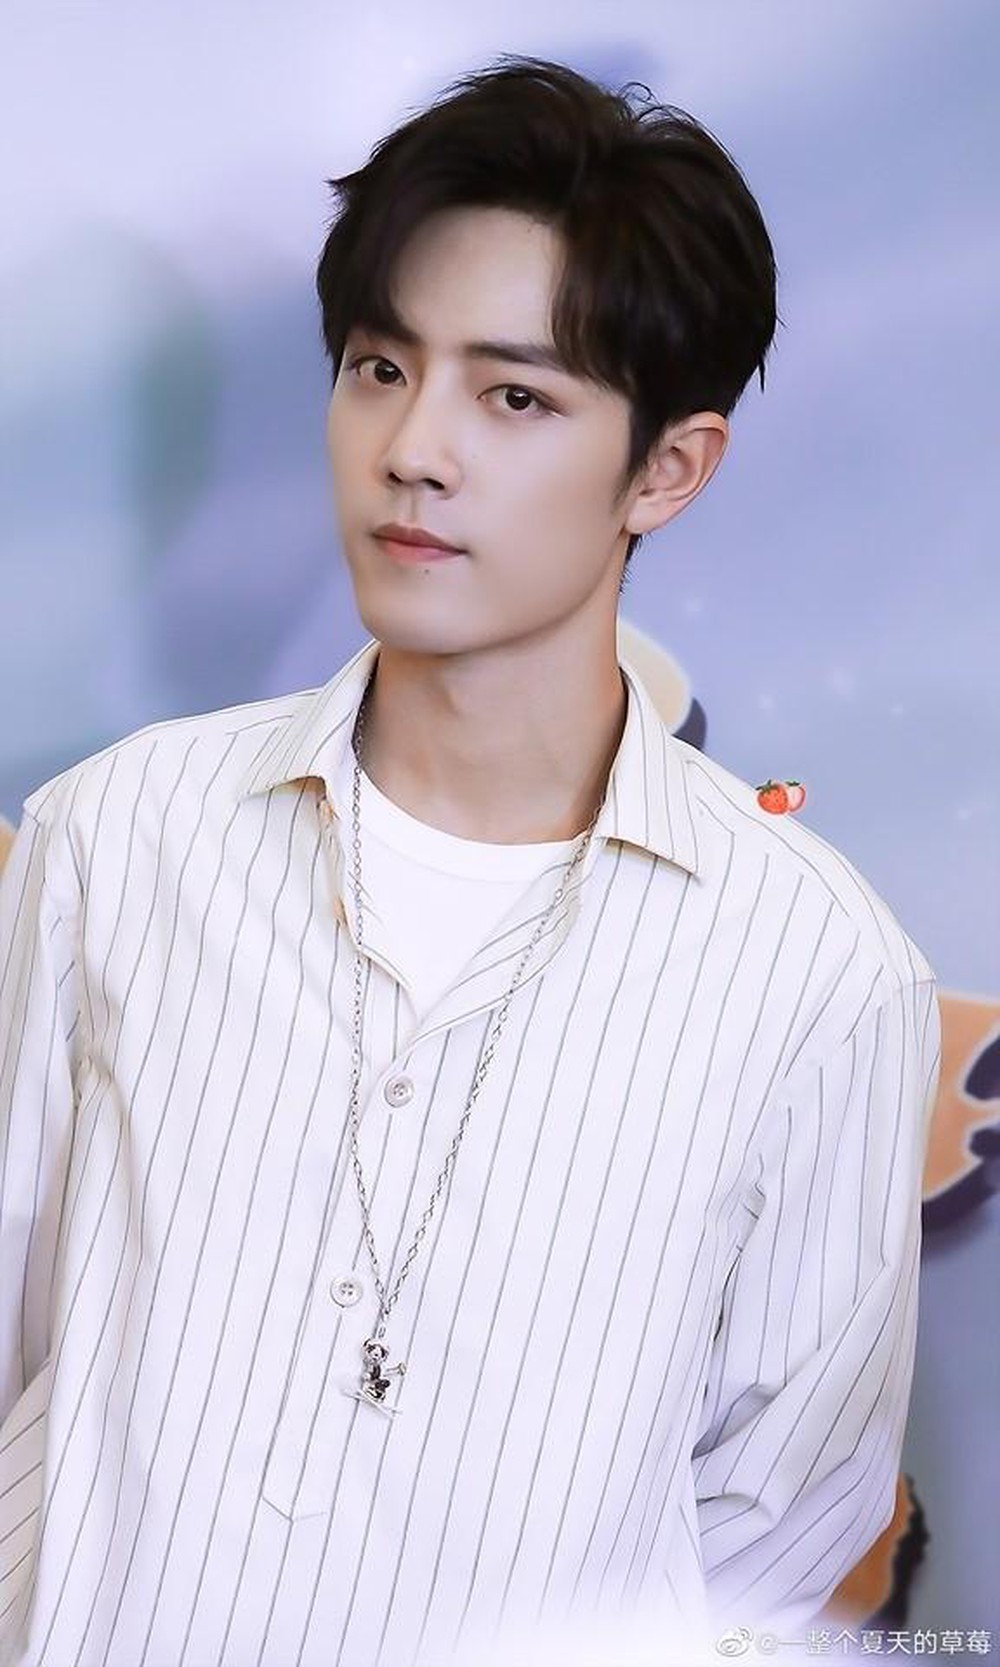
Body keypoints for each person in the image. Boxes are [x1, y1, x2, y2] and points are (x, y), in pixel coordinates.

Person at [0, 55, 941, 1667]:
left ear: (668, 469)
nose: (413, 449)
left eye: (515, 397)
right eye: (380, 367)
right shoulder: (119, 835)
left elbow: (777, 1518)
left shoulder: (819, 974)